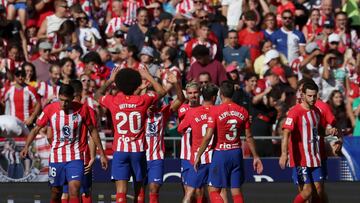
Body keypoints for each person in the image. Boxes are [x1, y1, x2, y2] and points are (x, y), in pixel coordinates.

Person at [20, 84, 108, 203]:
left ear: (72, 98)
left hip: (76, 157)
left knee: (74, 188)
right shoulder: (50, 109)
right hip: (57, 158)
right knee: (56, 192)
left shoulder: (83, 109)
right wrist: (26, 146)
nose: (63, 104)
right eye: (61, 100)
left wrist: (102, 154)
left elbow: (93, 131)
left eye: (66, 101)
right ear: (58, 97)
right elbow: (36, 129)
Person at [94, 67, 166, 203]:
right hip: (138, 151)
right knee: (139, 190)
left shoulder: (114, 101)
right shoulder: (143, 100)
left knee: (121, 193)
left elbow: (97, 95)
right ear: (137, 84)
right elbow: (162, 91)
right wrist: (148, 76)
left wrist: (110, 80)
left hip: (120, 150)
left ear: (119, 84)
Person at [194, 81, 263, 203]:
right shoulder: (242, 111)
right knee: (236, 191)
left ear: (220, 94)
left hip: (221, 153)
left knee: (213, 190)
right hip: (236, 152)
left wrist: (199, 155)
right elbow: (249, 136)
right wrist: (256, 156)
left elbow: (208, 136)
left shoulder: (216, 110)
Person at [280, 81, 337, 203]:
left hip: (315, 158)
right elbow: (286, 132)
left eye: (314, 96)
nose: (312, 98)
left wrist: (329, 131)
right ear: (303, 95)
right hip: (301, 159)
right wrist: (284, 154)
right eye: (309, 96)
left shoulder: (316, 111)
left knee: (319, 190)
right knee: (306, 191)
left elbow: (320, 131)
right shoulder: (295, 112)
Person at [145, 73, 185, 203]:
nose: (153, 103)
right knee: (138, 190)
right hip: (139, 155)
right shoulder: (137, 112)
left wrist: (176, 83)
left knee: (154, 188)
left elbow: (180, 99)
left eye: (155, 100)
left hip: (156, 157)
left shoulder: (162, 113)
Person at [178, 83, 218, 203]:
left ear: (200, 93)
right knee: (188, 189)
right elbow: (180, 129)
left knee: (199, 190)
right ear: (187, 94)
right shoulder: (184, 109)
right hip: (187, 155)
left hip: (200, 155)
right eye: (190, 93)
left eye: (195, 92)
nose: (193, 96)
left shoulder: (202, 110)